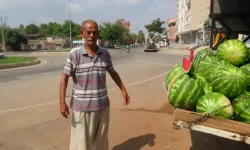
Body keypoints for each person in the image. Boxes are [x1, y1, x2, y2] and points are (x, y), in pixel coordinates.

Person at [59, 19, 130, 150]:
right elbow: (64, 78)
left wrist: (123, 90)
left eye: (94, 32)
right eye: (88, 32)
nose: (92, 36)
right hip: (81, 109)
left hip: (102, 107)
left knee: (101, 143)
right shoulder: (75, 54)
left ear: (98, 34)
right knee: (80, 145)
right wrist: (62, 102)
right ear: (82, 33)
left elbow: (112, 73)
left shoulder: (105, 54)